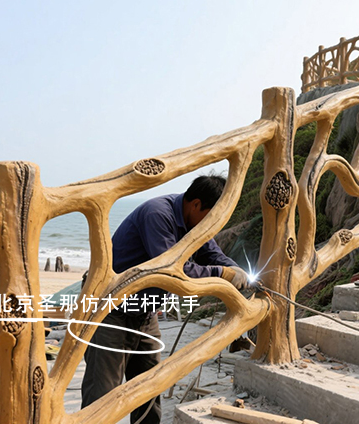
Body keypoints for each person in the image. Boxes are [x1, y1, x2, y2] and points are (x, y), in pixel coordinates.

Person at [81, 175, 249, 423]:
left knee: (149, 389)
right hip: (111, 311)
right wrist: (222, 274)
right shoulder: (158, 215)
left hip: (145, 314)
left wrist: (237, 271)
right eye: (212, 216)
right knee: (101, 395)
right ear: (196, 204)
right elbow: (172, 270)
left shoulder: (196, 223)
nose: (213, 225)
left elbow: (212, 254)